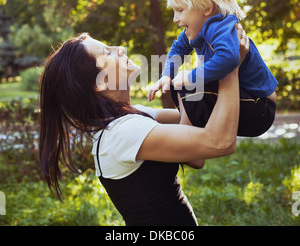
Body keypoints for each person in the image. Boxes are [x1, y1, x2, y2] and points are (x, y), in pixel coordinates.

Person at [39, 27, 247, 226]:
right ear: (99, 83)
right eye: (107, 53)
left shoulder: (128, 117)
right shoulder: (122, 132)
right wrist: (230, 67)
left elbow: (193, 138)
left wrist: (201, 71)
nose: (119, 49)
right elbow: (219, 142)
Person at [148, 0, 278, 137]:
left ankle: (186, 138)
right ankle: (187, 131)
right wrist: (167, 75)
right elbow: (178, 48)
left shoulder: (220, 26)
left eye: (180, 10)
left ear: (206, 8)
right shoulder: (198, 29)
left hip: (259, 107)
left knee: (190, 81)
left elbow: (229, 57)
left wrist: (190, 76)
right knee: (178, 83)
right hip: (246, 101)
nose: (175, 19)